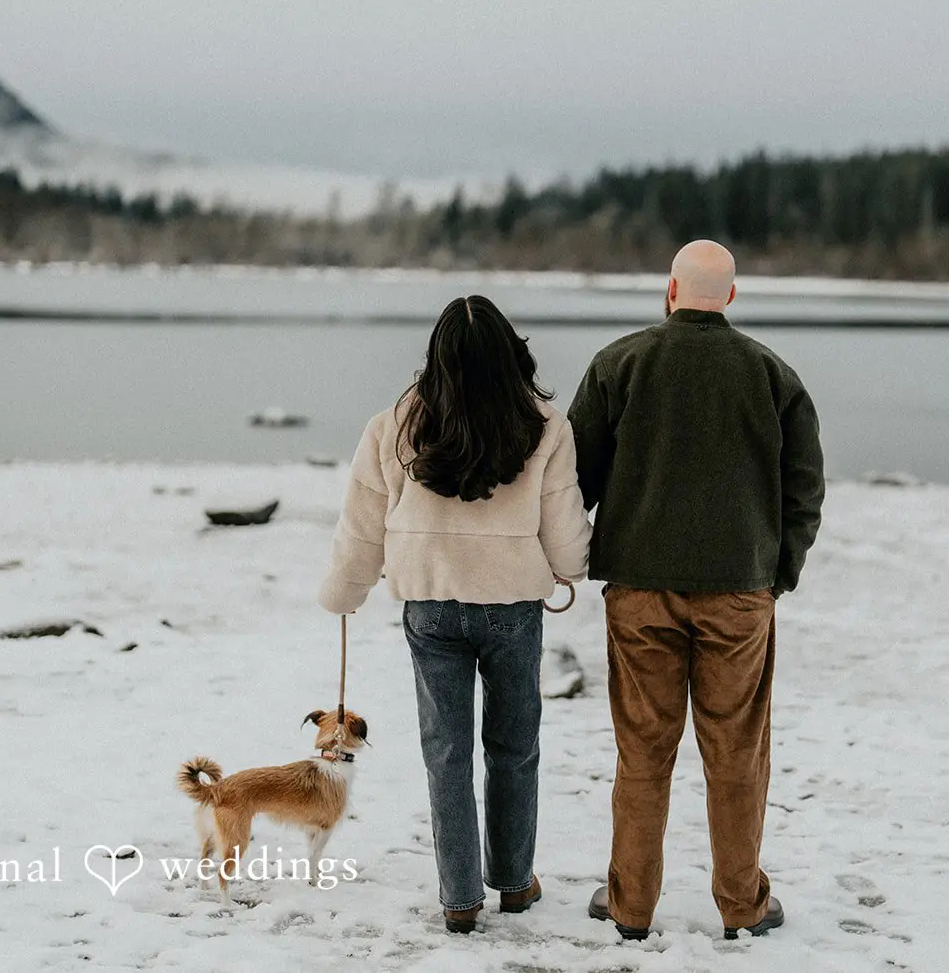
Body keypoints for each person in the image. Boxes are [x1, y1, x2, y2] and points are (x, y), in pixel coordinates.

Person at [568, 239, 825, 940]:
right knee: (736, 754)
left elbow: (574, 481)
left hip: (640, 590)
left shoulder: (619, 363)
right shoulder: (773, 374)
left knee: (644, 752)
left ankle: (630, 906)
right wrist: (779, 573)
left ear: (669, 291)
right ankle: (742, 905)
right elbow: (804, 487)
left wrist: (580, 554)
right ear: (732, 297)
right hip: (739, 592)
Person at [318, 295, 591, 934]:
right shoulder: (544, 424)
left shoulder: (393, 425)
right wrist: (571, 567)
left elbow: (361, 528)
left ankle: (460, 896)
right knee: (515, 746)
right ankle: (515, 882)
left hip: (431, 606)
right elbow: (564, 525)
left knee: (446, 752)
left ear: (435, 358)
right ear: (510, 355)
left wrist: (345, 592)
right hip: (514, 607)